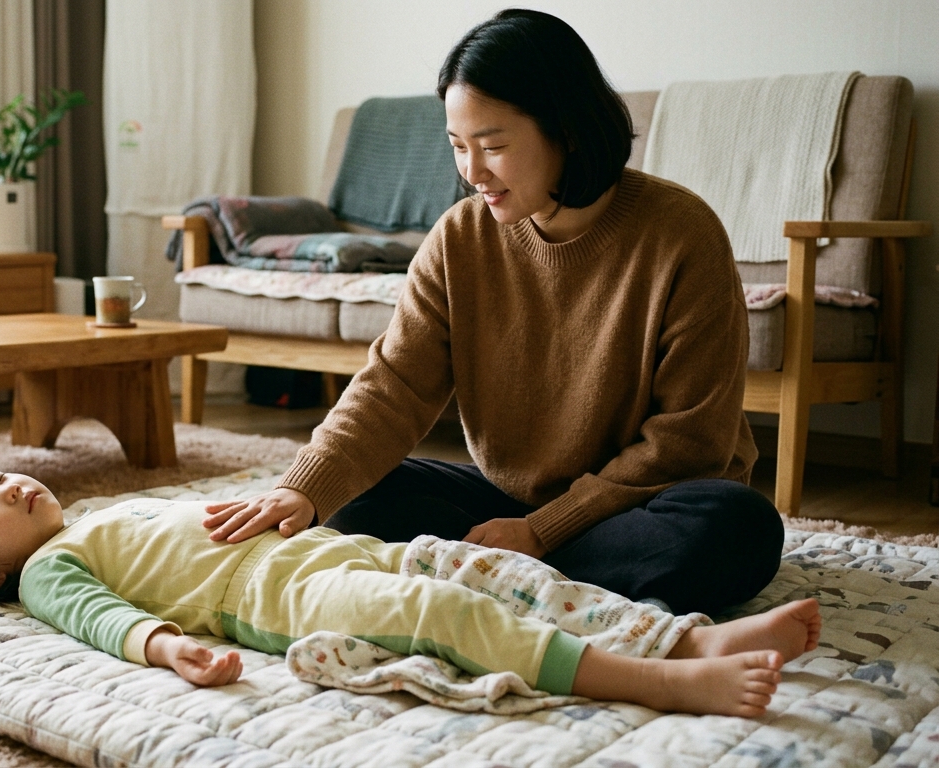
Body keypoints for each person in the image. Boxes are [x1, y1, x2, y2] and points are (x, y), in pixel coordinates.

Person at [201, 9, 782, 616]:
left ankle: (499, 577)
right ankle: (552, 584)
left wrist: (542, 533)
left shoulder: (682, 234)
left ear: (568, 129)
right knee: (355, 498)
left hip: (640, 505)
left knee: (739, 525)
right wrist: (304, 486)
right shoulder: (460, 238)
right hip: (509, 503)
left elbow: (690, 444)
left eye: (493, 147)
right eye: (458, 147)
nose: (472, 173)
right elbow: (393, 386)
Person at [0, 466, 822, 718]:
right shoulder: (49, 570)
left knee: (504, 571)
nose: (8, 488)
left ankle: (688, 641)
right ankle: (653, 682)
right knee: (451, 617)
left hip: (342, 547)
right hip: (296, 601)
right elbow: (101, 617)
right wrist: (165, 647)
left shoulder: (99, 512)